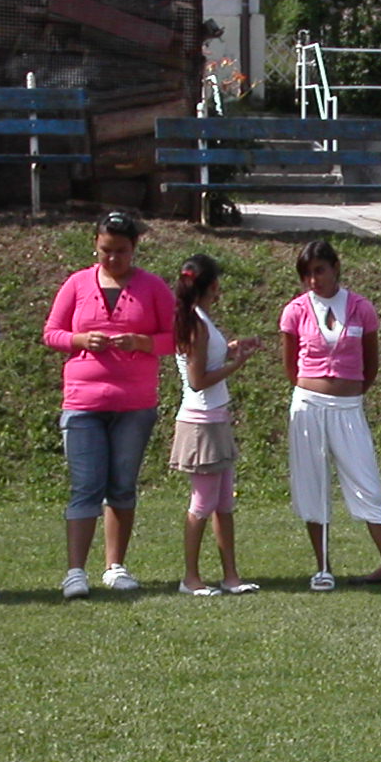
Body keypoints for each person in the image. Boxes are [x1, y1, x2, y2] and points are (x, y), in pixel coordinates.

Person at [279, 238, 381, 592]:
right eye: (307, 274)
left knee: (368, 485)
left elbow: (370, 363)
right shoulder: (295, 310)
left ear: (335, 268)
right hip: (308, 405)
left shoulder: (361, 308)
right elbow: (290, 365)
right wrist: (313, 388)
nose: (314, 280)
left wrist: (351, 391)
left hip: (348, 407)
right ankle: (322, 568)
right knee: (313, 484)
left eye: (319, 271)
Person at [44, 211, 174, 598]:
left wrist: (143, 342)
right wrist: (80, 340)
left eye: (121, 251)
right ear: (95, 246)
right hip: (83, 402)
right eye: (106, 250)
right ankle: (75, 572)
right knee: (85, 485)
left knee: (121, 485)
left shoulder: (153, 287)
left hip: (134, 404)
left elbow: (176, 338)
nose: (113, 258)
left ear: (134, 248)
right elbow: (51, 333)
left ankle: (115, 566)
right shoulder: (77, 284)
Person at [169, 253, 263, 596]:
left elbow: (207, 359)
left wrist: (233, 349)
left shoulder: (200, 319)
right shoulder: (195, 322)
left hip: (215, 420)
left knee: (224, 504)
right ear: (212, 285)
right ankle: (191, 578)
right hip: (201, 424)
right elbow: (198, 381)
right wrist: (237, 365)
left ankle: (231, 576)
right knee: (202, 504)